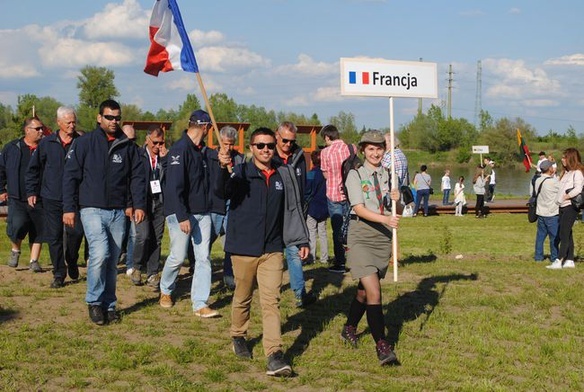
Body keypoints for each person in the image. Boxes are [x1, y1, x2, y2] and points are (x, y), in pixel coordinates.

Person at [215, 127, 310, 377]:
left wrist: (301, 239)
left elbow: (294, 208)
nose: (265, 150)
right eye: (260, 146)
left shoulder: (283, 174)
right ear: (251, 148)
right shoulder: (240, 173)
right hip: (243, 249)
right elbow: (220, 193)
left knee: (271, 301)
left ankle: (275, 354)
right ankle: (238, 335)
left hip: (272, 249)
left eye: (269, 145)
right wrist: (221, 168)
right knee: (243, 296)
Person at [63, 99, 146, 326]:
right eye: (109, 117)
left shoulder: (127, 146)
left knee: (111, 260)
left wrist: (138, 204)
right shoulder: (84, 143)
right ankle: (94, 302)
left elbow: (137, 179)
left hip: (118, 211)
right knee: (99, 253)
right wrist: (69, 208)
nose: (113, 121)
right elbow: (70, 176)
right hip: (90, 208)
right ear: (99, 118)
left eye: (117, 117)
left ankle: (109, 304)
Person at [340, 130, 400, 366]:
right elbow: (359, 208)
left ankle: (349, 327)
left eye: (379, 149)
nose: (375, 153)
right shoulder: (355, 175)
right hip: (361, 236)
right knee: (374, 292)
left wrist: (397, 198)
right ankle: (382, 346)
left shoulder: (389, 175)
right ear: (363, 150)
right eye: (371, 149)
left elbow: (395, 209)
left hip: (382, 238)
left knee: (364, 291)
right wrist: (385, 219)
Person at [158, 109, 219, 318]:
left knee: (203, 258)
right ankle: (165, 289)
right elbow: (174, 187)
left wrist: (223, 157)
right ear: (204, 127)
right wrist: (182, 216)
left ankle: (200, 303)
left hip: (203, 212)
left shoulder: (201, 150)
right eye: (209, 128)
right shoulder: (180, 149)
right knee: (178, 256)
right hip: (181, 213)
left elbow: (214, 157)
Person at [25, 107, 84, 288]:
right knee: (54, 237)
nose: (72, 126)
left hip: (76, 198)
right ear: (59, 123)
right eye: (68, 123)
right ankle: (59, 273)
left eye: (74, 122)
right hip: (51, 197)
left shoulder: (82, 142)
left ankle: (72, 260)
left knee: (76, 233)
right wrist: (31, 191)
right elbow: (33, 169)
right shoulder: (46, 143)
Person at [272, 121, 316, 307]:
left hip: (294, 214)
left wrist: (302, 214)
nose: (288, 144)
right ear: (276, 136)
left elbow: (304, 189)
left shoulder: (299, 157)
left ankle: (300, 293)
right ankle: (271, 293)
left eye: (292, 141)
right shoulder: (267, 155)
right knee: (272, 256)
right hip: (273, 213)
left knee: (294, 253)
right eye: (285, 140)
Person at [0, 116, 45, 272]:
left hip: (40, 197)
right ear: (27, 130)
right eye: (37, 129)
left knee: (38, 230)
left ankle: (34, 261)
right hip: (17, 197)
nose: (41, 131)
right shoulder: (12, 148)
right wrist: (2, 190)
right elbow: (1, 169)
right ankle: (15, 249)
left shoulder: (45, 147)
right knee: (17, 226)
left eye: (42, 129)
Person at [205, 125, 245, 290]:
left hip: (232, 205)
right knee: (206, 241)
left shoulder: (240, 159)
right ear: (219, 141)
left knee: (231, 243)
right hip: (214, 204)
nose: (228, 147)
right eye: (225, 143)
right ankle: (200, 272)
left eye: (231, 144)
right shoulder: (210, 157)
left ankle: (228, 275)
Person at [129, 126, 168, 291]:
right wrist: (131, 204)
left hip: (159, 202)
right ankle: (137, 267)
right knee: (143, 236)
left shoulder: (165, 157)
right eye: (154, 142)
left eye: (160, 143)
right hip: (142, 203)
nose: (157, 146)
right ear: (147, 139)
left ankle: (153, 273)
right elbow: (130, 180)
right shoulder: (138, 155)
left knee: (156, 239)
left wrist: (165, 161)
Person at [320, 124, 352, 273]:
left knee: (337, 229)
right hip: (349, 193)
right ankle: (352, 259)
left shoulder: (325, 152)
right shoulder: (349, 148)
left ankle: (340, 262)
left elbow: (325, 174)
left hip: (333, 193)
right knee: (350, 228)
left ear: (327, 137)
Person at [546, 148, 584, 269]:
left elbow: (578, 188)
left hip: (570, 206)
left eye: (564, 157)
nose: (562, 159)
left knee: (564, 232)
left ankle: (559, 259)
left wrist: (566, 197)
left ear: (571, 158)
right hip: (561, 206)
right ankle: (569, 259)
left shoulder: (577, 172)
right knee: (568, 233)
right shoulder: (565, 173)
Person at [531, 160, 559, 263]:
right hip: (551, 213)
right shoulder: (553, 182)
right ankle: (554, 257)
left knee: (540, 237)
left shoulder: (537, 180)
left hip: (540, 212)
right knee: (554, 237)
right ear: (550, 169)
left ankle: (538, 257)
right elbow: (562, 189)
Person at [305, 150, 329, 264]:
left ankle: (311, 257)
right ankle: (324, 258)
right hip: (325, 207)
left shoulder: (311, 174)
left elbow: (307, 191)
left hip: (312, 207)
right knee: (323, 233)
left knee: (311, 233)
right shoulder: (326, 174)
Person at [120, 124, 137, 277]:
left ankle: (130, 264)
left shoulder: (137, 153)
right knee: (119, 234)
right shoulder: (116, 152)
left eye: (134, 139)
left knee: (134, 234)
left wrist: (132, 204)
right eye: (128, 139)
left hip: (132, 202)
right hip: (117, 201)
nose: (131, 143)